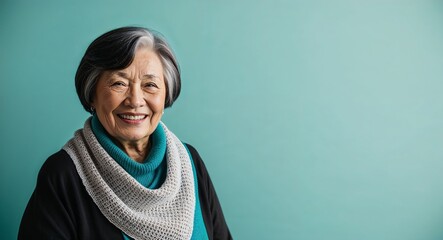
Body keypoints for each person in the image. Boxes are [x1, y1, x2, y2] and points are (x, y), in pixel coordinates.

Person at [18, 26, 232, 240]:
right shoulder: (63, 175)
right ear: (92, 93)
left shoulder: (190, 162)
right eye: (119, 83)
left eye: (150, 85)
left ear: (166, 94)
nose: (135, 100)